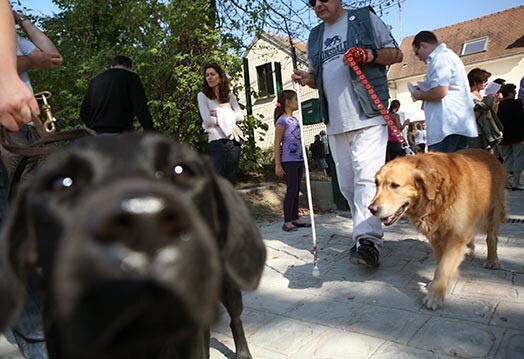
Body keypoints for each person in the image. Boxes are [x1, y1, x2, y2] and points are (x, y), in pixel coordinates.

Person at [292, 0, 403, 267]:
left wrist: (369, 55)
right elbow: (319, 77)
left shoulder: (364, 18)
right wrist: (308, 79)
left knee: (366, 180)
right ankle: (362, 234)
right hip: (335, 123)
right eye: (312, 1)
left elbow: (396, 54)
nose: (318, 4)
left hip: (367, 115)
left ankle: (368, 241)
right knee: (347, 185)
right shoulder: (315, 36)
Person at [2, 9, 64, 359]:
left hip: (24, 134)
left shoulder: (13, 37)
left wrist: (21, 21)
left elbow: (52, 55)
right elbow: (33, 60)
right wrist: (22, 65)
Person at [410, 31, 477, 153]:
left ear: (423, 45)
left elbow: (439, 92)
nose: (419, 58)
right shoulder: (446, 56)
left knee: (442, 170)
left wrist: (419, 95)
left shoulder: (440, 58)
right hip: (454, 125)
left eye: (417, 53)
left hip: (447, 127)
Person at [80, 55, 154, 134]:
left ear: (111, 66)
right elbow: (140, 108)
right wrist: (151, 131)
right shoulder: (132, 78)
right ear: (130, 68)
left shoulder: (95, 80)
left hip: (97, 135)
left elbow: (84, 110)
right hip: (121, 134)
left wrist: (93, 127)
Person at [197, 63, 244, 184]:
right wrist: (229, 115)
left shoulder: (229, 96)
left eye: (212, 74)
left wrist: (220, 112)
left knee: (231, 181)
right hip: (216, 141)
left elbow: (240, 116)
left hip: (233, 142)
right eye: (207, 75)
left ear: (220, 76)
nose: (209, 77)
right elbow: (207, 121)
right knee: (220, 182)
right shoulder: (202, 96)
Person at [273, 90, 311, 232]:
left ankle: (295, 218)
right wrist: (278, 164)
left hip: (298, 159)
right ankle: (287, 220)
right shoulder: (281, 121)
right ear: (287, 102)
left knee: (296, 189)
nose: (297, 101)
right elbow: (277, 143)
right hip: (288, 160)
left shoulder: (295, 120)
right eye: (295, 99)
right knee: (291, 189)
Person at [0, 1, 39, 131]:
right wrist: (6, 79)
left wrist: (21, 19)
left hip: (16, 123)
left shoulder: (16, 40)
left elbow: (53, 57)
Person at [497, 83, 524, 190]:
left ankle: (506, 181)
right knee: (519, 158)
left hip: (504, 136)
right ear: (510, 93)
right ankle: (516, 183)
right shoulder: (517, 103)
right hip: (518, 135)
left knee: (507, 159)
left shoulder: (499, 105)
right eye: (514, 92)